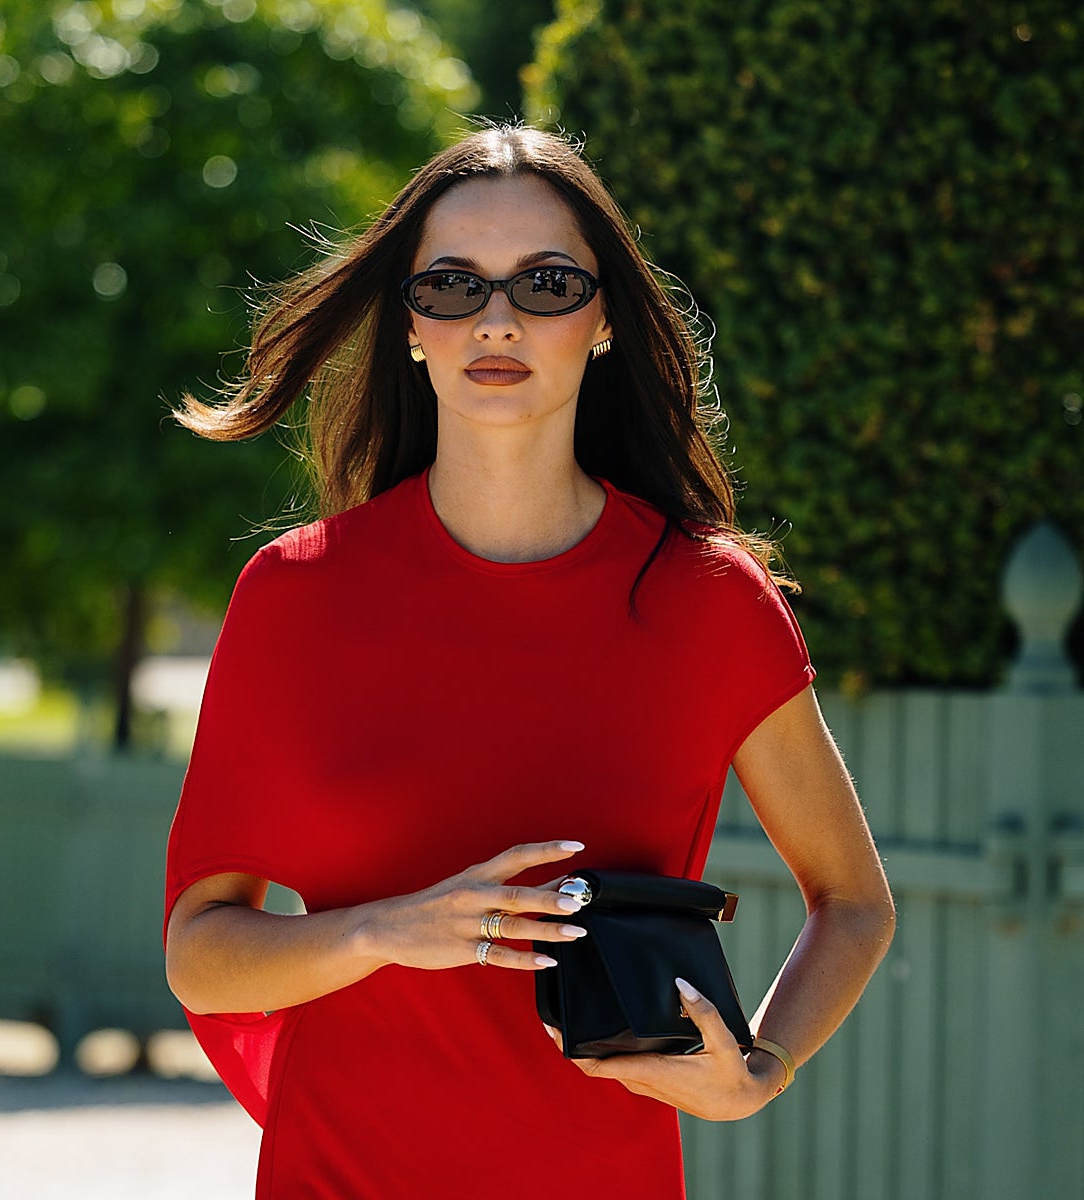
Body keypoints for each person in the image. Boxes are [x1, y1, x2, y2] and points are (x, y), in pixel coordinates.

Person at [164, 124, 895, 1199]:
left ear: (602, 321)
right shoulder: (294, 595)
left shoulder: (707, 601)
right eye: (452, 286)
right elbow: (200, 953)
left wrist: (760, 1069)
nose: (495, 319)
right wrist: (384, 930)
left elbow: (855, 901)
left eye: (546, 283)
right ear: (411, 324)